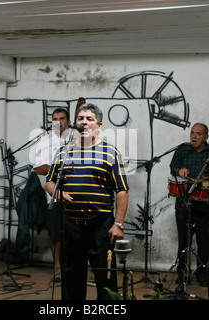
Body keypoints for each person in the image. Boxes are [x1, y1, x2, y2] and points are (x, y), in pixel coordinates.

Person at [45, 103, 129, 300]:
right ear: (75, 124)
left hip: (101, 227)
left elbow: (122, 191)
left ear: (99, 125)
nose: (84, 122)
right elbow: (49, 182)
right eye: (80, 119)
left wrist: (118, 224)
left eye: (89, 119)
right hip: (71, 226)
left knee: (106, 280)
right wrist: (57, 194)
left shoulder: (111, 153)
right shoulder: (64, 153)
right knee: (71, 279)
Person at [169, 123, 209, 287]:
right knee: (184, 241)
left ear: (206, 137)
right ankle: (183, 274)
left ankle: (202, 274)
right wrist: (179, 170)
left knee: (204, 241)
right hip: (184, 202)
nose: (193, 136)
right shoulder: (182, 149)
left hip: (205, 204)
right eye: (192, 133)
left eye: (198, 134)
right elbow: (173, 168)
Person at [33, 108, 71, 282]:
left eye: (61, 118)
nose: (58, 122)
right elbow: (39, 167)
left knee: (78, 234)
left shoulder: (77, 140)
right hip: (54, 196)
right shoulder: (45, 141)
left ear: (68, 121)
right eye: (55, 119)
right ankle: (57, 266)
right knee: (55, 234)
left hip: (77, 196)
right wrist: (58, 169)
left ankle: (80, 267)